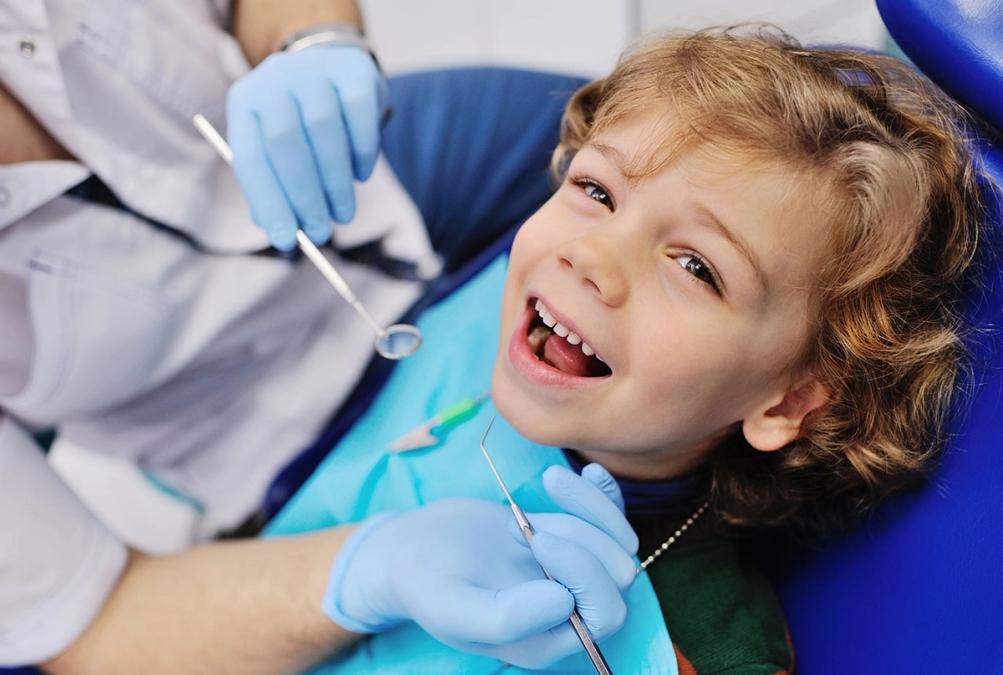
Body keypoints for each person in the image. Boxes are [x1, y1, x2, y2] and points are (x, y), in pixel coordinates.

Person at [261, 25, 989, 673]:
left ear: (786, 401)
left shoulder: (709, 650)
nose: (591, 257)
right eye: (596, 190)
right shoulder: (484, 295)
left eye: (696, 266)